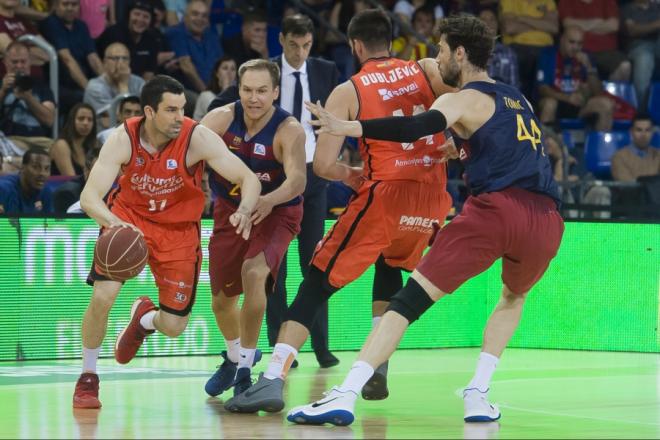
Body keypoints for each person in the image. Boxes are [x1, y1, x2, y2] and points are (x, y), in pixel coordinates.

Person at [287, 14, 564, 426]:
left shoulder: (464, 97)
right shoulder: (516, 97)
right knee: (512, 296)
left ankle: (344, 393)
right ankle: (477, 392)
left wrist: (350, 125)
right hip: (546, 220)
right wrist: (461, 150)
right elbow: (512, 144)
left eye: (439, 49)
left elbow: (415, 126)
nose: (436, 57)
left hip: (495, 213)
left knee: (407, 302)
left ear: (459, 53)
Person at [224, 9, 454, 414]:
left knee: (316, 281)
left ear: (355, 46)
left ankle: (273, 378)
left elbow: (324, 166)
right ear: (392, 40)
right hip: (433, 197)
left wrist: (351, 175)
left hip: (385, 195)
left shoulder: (349, 90)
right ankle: (378, 365)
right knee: (389, 266)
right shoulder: (428, 70)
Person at [71, 75, 261, 409]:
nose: (179, 116)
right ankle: (88, 379)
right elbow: (89, 198)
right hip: (129, 218)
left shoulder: (196, 137)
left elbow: (247, 178)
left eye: (182, 109)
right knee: (103, 295)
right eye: (171, 110)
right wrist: (119, 227)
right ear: (149, 111)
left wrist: (245, 209)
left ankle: (144, 319)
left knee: (173, 326)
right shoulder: (123, 138)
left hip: (178, 232)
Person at [199, 59, 306, 400]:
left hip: (276, 212)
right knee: (220, 301)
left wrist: (268, 200)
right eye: (247, 90)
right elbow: (187, 153)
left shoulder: (289, 130)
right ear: (238, 89)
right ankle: (233, 358)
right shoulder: (218, 120)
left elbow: (298, 180)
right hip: (228, 210)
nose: (254, 98)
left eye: (262, 91)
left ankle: (245, 367)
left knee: (254, 272)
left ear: (275, 92)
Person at [268, 13, 340, 369]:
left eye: (306, 45)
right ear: (281, 40)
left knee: (316, 263)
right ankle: (278, 346)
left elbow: (343, 116)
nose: (299, 52)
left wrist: (329, 122)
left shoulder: (326, 71)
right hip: (277, 175)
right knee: (274, 265)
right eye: (294, 45)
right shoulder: (264, 73)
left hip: (315, 175)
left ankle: (321, 346)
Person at [536, 26, 614, 131]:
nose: (575, 47)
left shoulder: (586, 57)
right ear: (562, 40)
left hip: (578, 106)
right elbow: (543, 89)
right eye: (571, 42)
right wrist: (567, 98)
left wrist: (589, 68)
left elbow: (598, 93)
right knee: (550, 104)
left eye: (579, 43)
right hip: (557, 103)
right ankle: (543, 145)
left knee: (606, 104)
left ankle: (600, 146)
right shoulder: (548, 54)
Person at [0, 40, 56, 149]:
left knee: (61, 146)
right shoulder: (2, 85)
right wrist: (3, 90)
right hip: (10, 140)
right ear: (6, 62)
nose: (19, 66)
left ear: (30, 62)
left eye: (23, 61)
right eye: (14, 62)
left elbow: (49, 120)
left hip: (39, 141)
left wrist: (28, 98)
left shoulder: (41, 87)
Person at [84, 42, 145, 129]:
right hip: (103, 137)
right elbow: (116, 120)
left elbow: (146, 116)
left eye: (124, 58)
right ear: (105, 62)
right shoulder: (94, 87)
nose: (120, 63)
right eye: (115, 58)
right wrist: (123, 84)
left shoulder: (139, 83)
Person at [50, 103, 98, 176]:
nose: (85, 123)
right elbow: (71, 178)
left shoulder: (94, 145)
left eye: (90, 120)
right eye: (81, 118)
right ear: (72, 121)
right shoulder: (61, 145)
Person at [0, 146, 52, 214]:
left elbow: (49, 222)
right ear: (22, 168)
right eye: (35, 167)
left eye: (46, 168)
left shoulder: (46, 192)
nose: (42, 173)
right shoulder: (4, 189)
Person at [612, 113, 660, 182]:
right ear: (631, 132)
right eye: (639, 130)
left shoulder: (658, 156)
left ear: (652, 132)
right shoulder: (619, 157)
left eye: (647, 130)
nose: (643, 135)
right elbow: (627, 186)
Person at [193, 56, 237, 121]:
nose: (229, 72)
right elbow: (220, 118)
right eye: (225, 68)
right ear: (217, 73)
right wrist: (226, 90)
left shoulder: (238, 96)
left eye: (233, 69)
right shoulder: (206, 95)